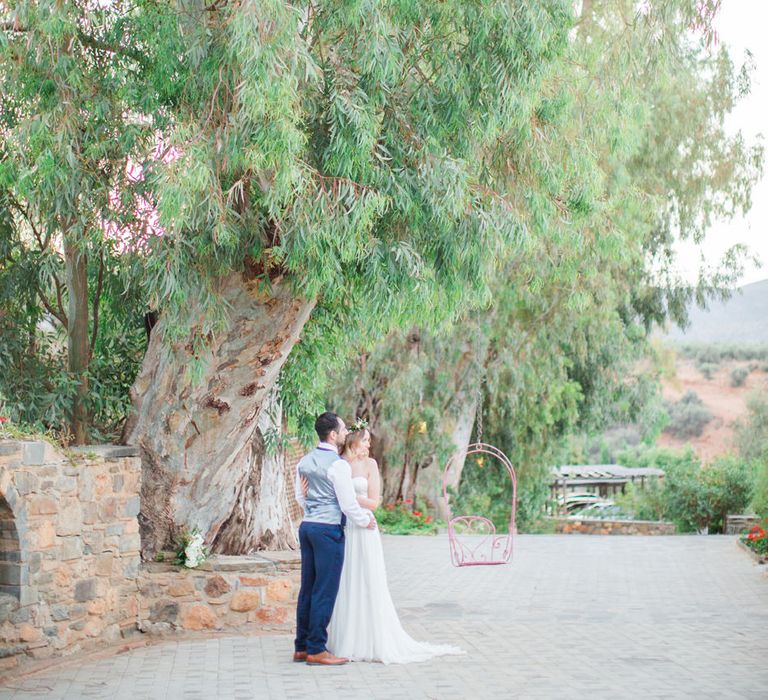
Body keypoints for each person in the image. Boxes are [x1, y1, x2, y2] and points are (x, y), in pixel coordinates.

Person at [322, 422, 464, 664]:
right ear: (354, 439)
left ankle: (372, 640)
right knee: (346, 582)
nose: (369, 444)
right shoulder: (337, 464)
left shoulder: (370, 465)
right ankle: (345, 640)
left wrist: (349, 496)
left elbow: (375, 502)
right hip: (344, 528)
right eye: (366, 439)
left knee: (368, 581)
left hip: (365, 528)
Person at [293, 412, 376, 666]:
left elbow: (300, 498)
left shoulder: (304, 461)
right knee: (324, 591)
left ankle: (301, 646)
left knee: (307, 587)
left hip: (307, 527)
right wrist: (365, 520)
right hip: (328, 531)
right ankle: (317, 649)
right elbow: (347, 503)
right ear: (332, 435)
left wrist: (312, 508)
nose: (343, 433)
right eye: (341, 430)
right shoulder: (338, 465)